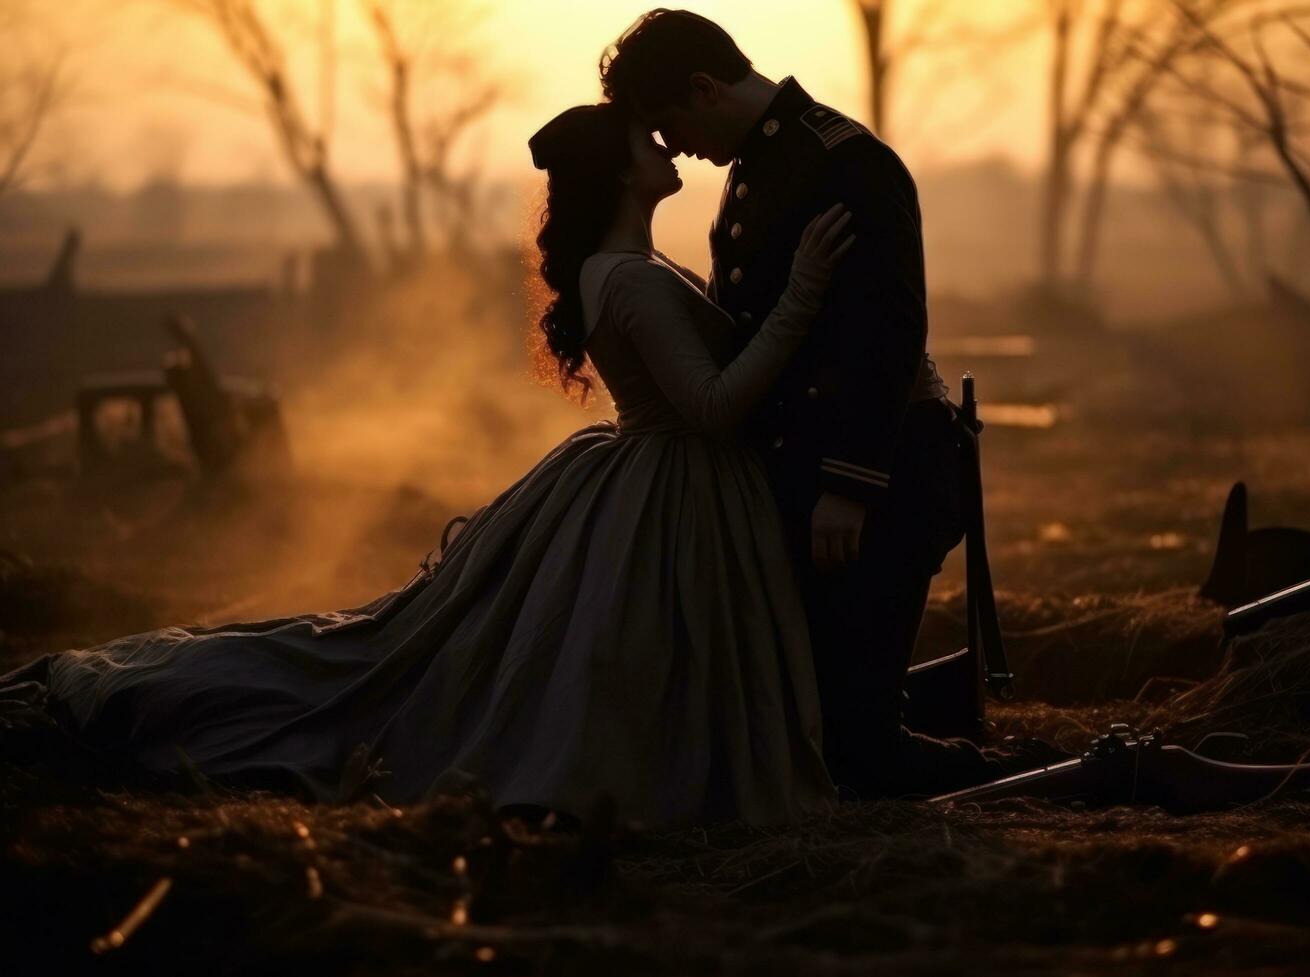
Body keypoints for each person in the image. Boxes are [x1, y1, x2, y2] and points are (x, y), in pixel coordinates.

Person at [0, 101, 857, 831]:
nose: (665, 147)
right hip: (671, 491)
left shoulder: (625, 269)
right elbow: (710, 406)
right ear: (620, 172)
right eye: (648, 140)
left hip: (654, 482)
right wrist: (803, 295)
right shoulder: (627, 280)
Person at [600, 10, 985, 798]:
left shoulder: (845, 164)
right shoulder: (764, 166)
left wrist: (848, 484)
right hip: (805, 477)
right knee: (818, 711)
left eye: (671, 126)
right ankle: (937, 708)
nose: (675, 150)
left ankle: (1036, 782)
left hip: (880, 476)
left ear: (704, 89)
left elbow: (886, 335)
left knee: (853, 750)